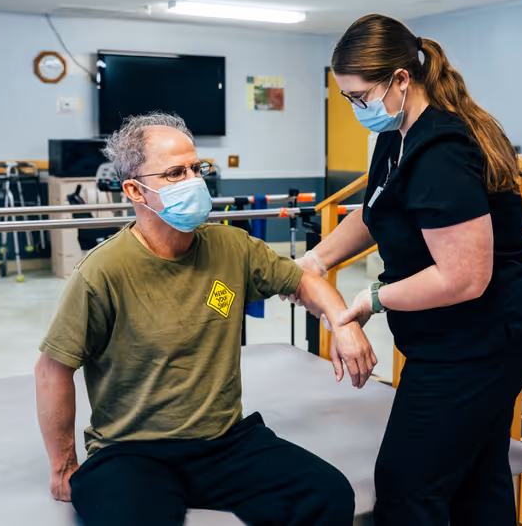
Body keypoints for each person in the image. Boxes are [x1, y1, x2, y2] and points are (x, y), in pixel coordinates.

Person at [34, 112, 377, 526]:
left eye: (197, 168)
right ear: (134, 190)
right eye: (175, 172)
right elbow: (53, 370)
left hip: (224, 444)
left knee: (328, 495)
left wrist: (342, 322)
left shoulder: (232, 246)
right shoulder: (102, 271)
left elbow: (304, 282)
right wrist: (62, 466)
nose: (194, 181)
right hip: (131, 450)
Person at [294, 15, 522, 525]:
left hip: (486, 335)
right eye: (345, 98)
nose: (355, 109)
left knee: (407, 482)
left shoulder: (441, 152)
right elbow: (376, 212)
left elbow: (463, 277)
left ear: (401, 80)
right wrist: (315, 259)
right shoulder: (397, 135)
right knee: (477, 473)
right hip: (461, 329)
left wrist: (371, 298)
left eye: (358, 96)